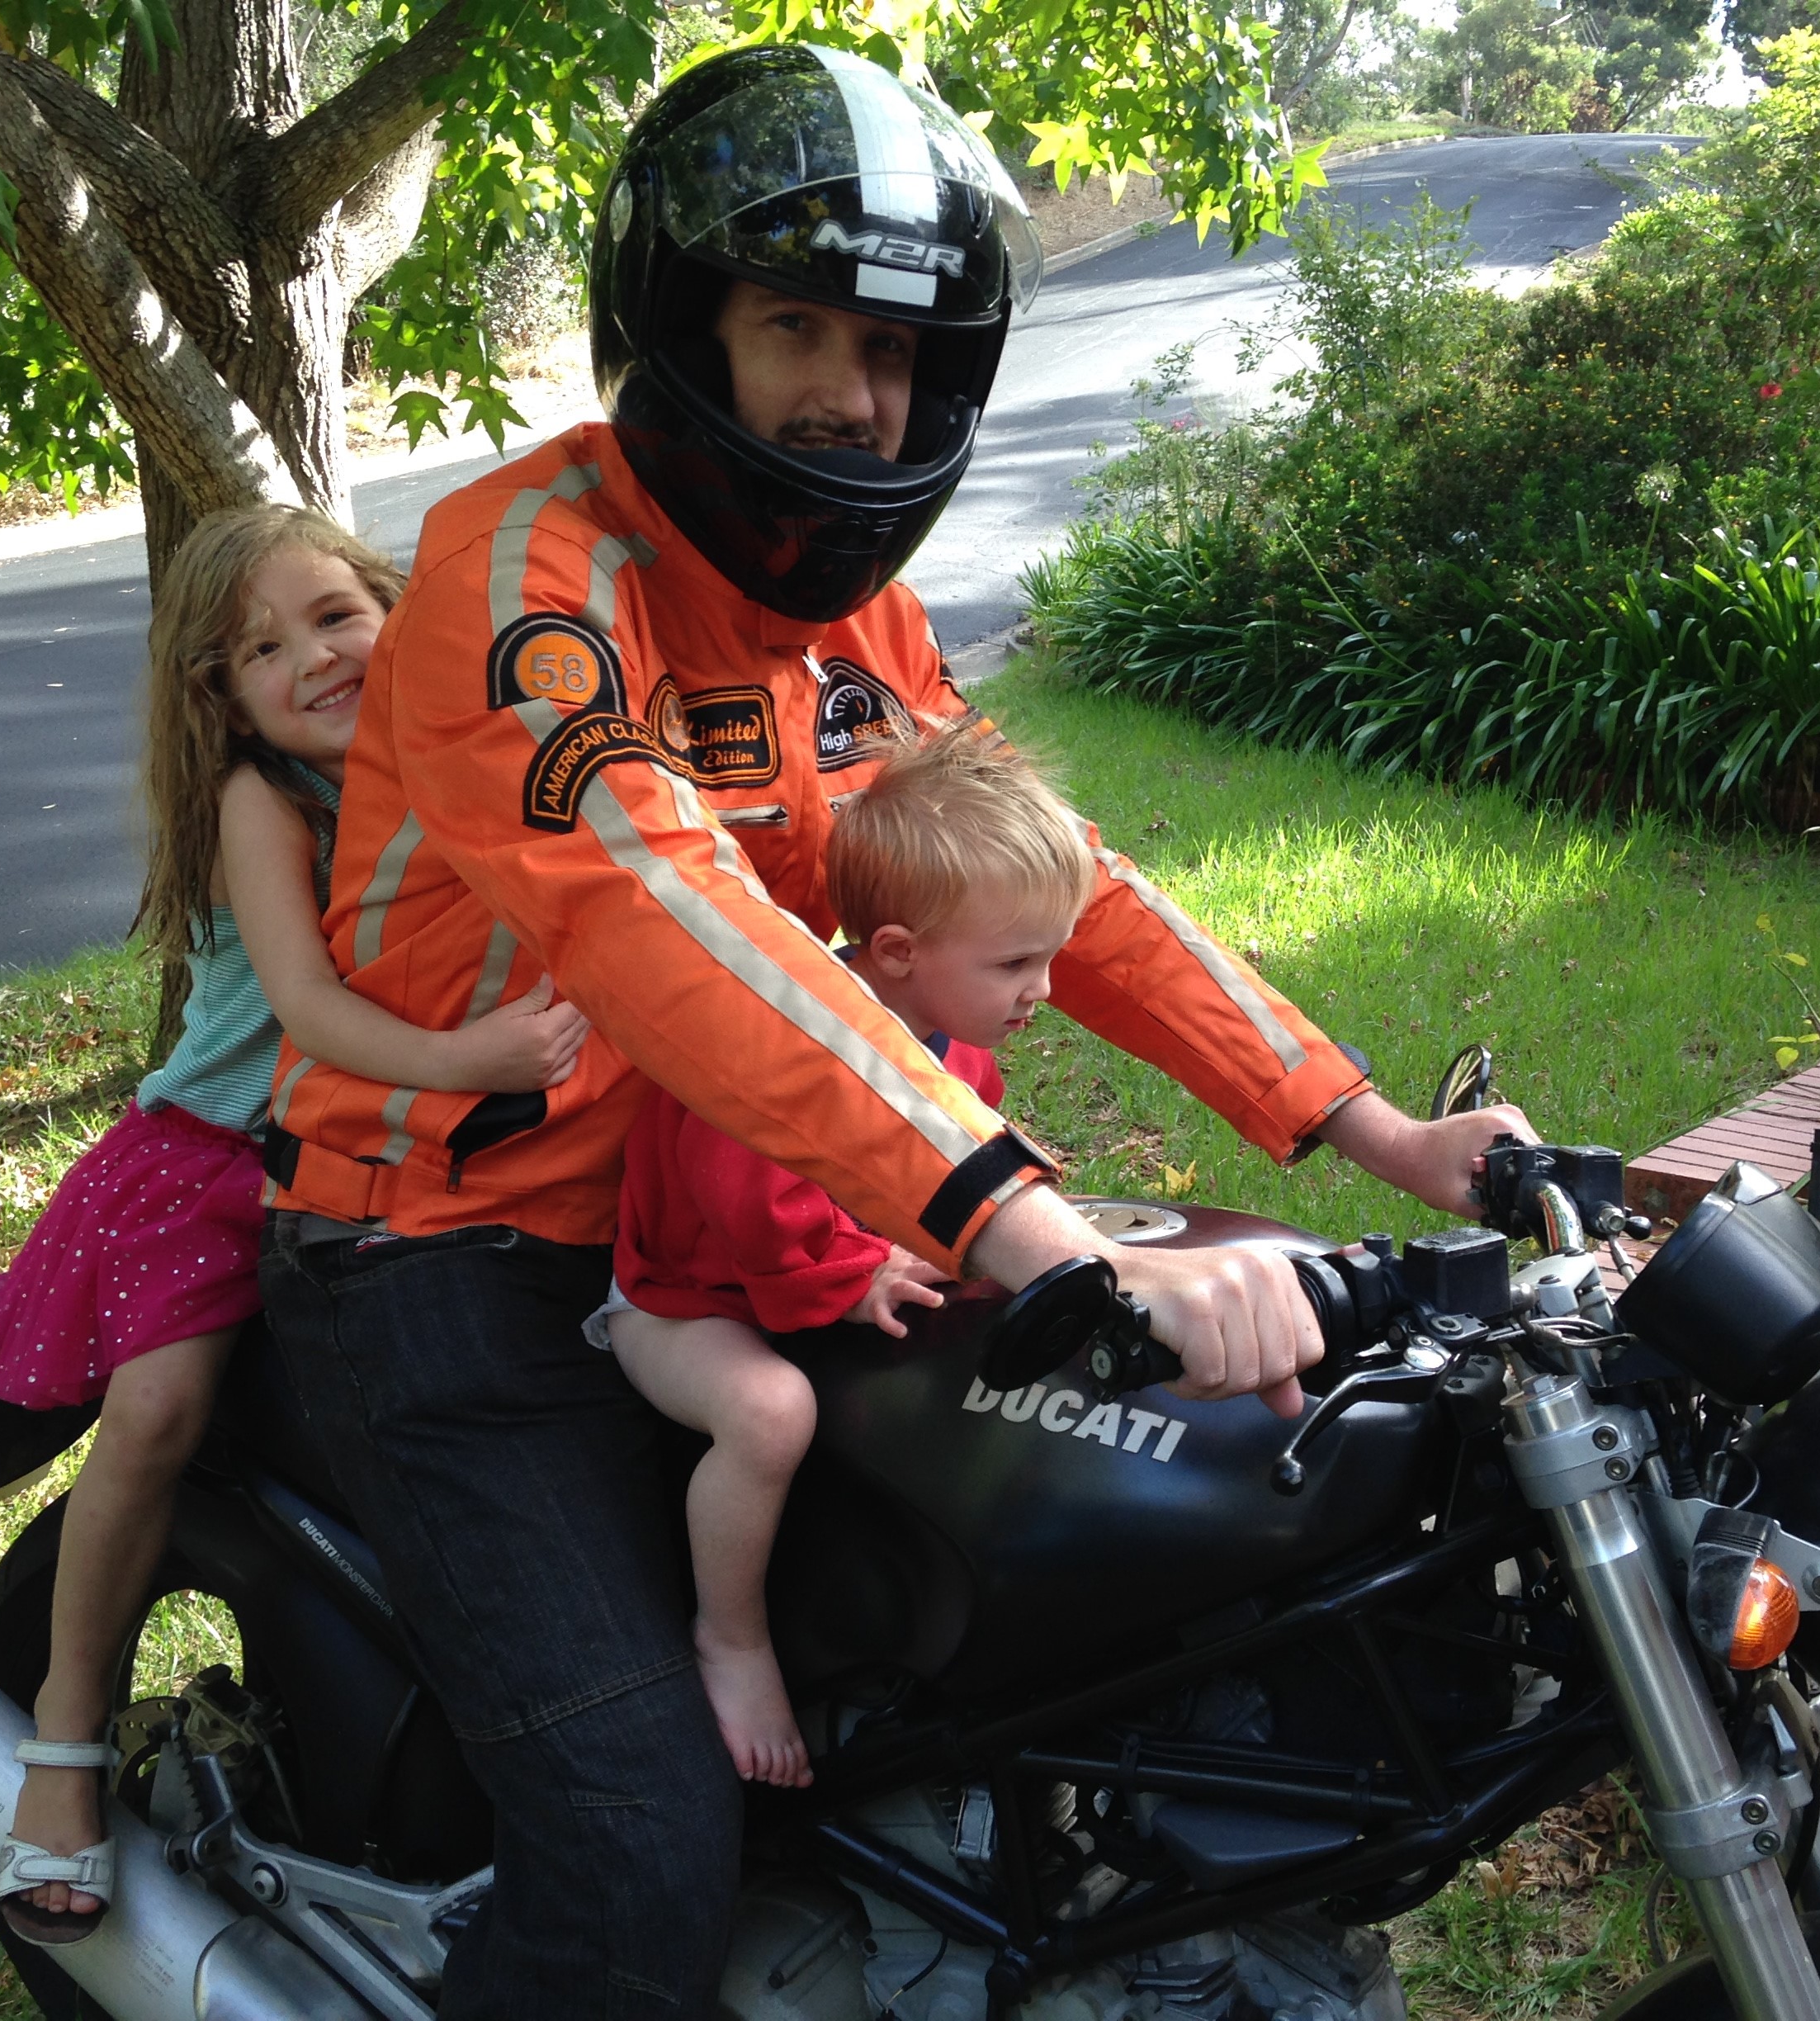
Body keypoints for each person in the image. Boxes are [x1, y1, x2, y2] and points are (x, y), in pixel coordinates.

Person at [253, 44, 1532, 2014]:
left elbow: (1051, 878)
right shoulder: (527, 580)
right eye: (798, 331)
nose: (860, 399)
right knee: (640, 1853)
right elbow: (655, 909)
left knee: (1047, 1638)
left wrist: (1372, 1131)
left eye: (901, 352)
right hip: (454, 1265)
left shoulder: (855, 626)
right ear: (680, 325)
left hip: (756, 1240)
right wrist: (1038, 1224)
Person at [0, 507, 585, 1946]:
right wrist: (483, 1061)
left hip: (387, 1151)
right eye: (260, 649)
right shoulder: (260, 800)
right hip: (216, 1160)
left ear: (393, 607)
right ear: (218, 698)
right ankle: (64, 1737)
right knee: (158, 1412)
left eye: (334, 614)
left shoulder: (457, 753)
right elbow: (308, 1006)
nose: (313, 656)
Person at [599, 730, 1092, 1787]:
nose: (1042, 989)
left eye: (1048, 956)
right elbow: (747, 1198)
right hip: (682, 1300)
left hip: (790, 1274)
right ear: (902, 953)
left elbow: (954, 1177)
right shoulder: (788, 1038)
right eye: (1014, 962)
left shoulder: (956, 1048)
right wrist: (856, 1271)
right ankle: (731, 1638)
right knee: (769, 1415)